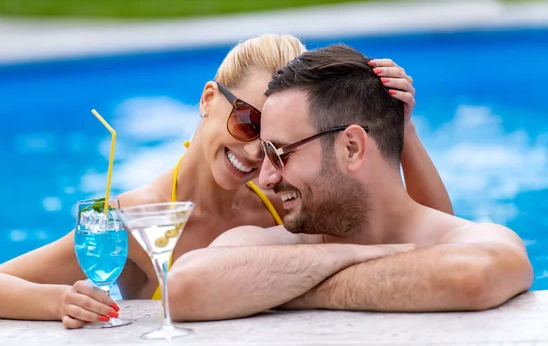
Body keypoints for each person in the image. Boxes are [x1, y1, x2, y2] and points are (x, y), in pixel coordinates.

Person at [0, 35, 451, 329]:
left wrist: (403, 128)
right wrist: (57, 300)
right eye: (246, 122)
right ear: (207, 98)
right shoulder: (138, 214)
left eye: (277, 138)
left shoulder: (284, 204)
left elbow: (431, 237)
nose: (258, 151)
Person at [167, 44, 533, 322]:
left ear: (353, 148)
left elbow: (474, 276)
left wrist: (279, 287)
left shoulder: (466, 242)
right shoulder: (278, 240)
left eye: (280, 153)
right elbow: (183, 288)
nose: (265, 176)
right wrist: (372, 254)